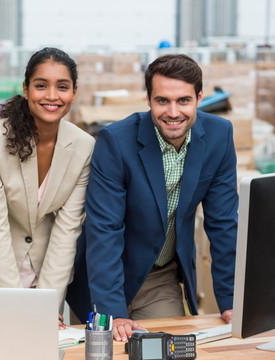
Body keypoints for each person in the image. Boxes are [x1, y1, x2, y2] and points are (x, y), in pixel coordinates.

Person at [67, 54, 238, 342]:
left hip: (160, 277)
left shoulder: (219, 136)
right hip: (104, 276)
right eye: (162, 101)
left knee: (172, 349)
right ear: (148, 100)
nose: (173, 112)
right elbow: (104, 229)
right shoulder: (115, 142)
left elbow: (223, 225)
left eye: (183, 100)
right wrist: (111, 310)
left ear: (200, 97)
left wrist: (232, 301)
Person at [0, 47, 95, 327]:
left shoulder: (84, 146)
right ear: (25, 88)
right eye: (41, 85)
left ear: (74, 92)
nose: (52, 96)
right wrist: (20, 305)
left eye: (62, 87)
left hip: (47, 272)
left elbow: (68, 229)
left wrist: (46, 302)